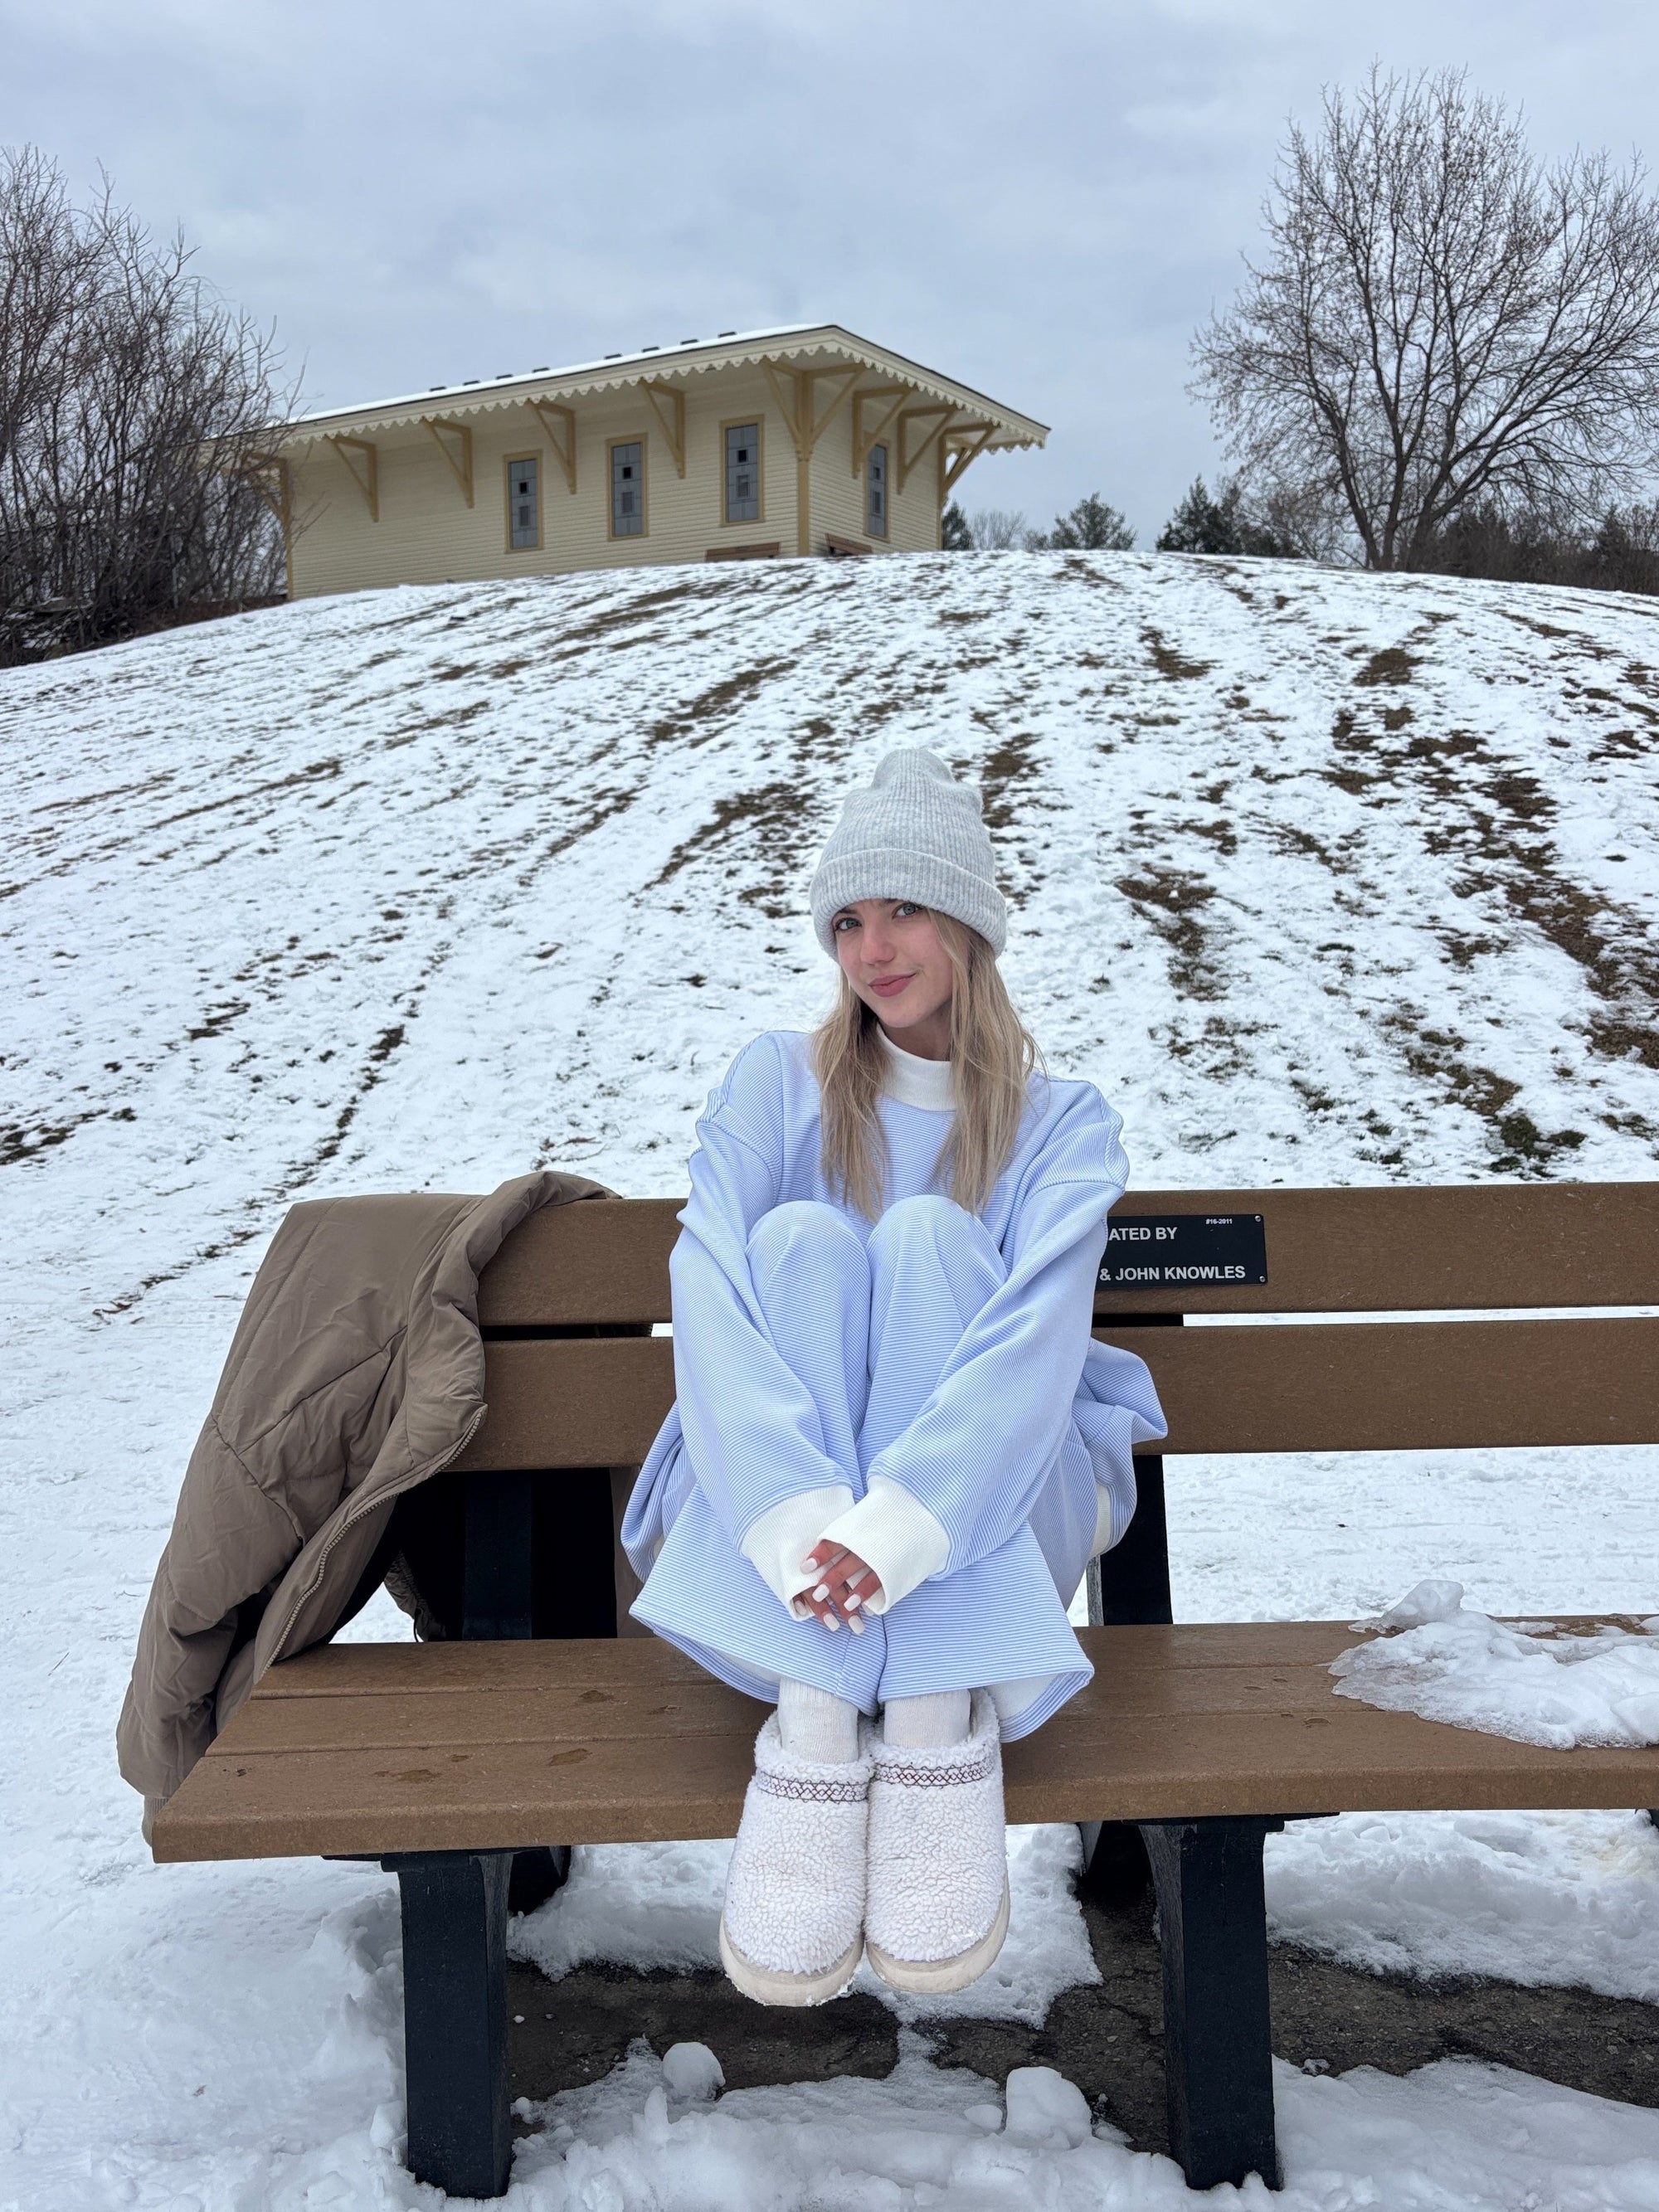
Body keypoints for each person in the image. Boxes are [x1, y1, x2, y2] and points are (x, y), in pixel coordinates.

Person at [621, 748, 1165, 2006]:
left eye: (905, 909)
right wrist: (801, 1515)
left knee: (929, 1240)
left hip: (997, 1489)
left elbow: (1037, 1338)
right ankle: (819, 1719)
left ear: (969, 922)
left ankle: (929, 1724)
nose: (873, 949)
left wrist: (906, 1521)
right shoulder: (781, 1083)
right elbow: (704, 1278)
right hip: (769, 1502)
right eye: (849, 921)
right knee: (797, 1243)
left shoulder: (1061, 1123)